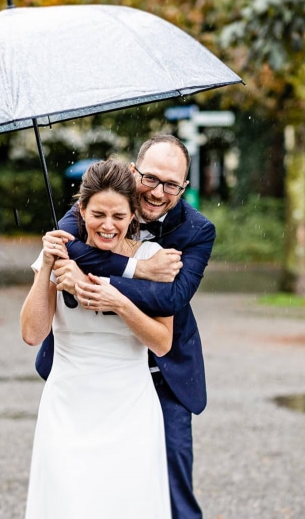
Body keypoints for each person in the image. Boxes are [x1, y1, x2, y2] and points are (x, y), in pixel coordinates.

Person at [36, 134, 215, 519]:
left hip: (163, 374)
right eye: (150, 179)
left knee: (172, 491)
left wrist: (116, 281)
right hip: (89, 379)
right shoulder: (98, 201)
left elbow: (170, 300)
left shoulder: (198, 231)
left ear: (184, 187)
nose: (157, 192)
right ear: (134, 172)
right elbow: (67, 247)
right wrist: (138, 269)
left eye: (171, 184)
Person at [21, 159, 173, 518]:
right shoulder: (59, 255)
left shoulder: (154, 260)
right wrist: (46, 267)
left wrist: (119, 301)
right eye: (99, 214)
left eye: (119, 216)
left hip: (130, 409)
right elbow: (31, 333)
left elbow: (163, 342)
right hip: (68, 408)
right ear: (81, 210)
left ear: (133, 215)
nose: (108, 226)